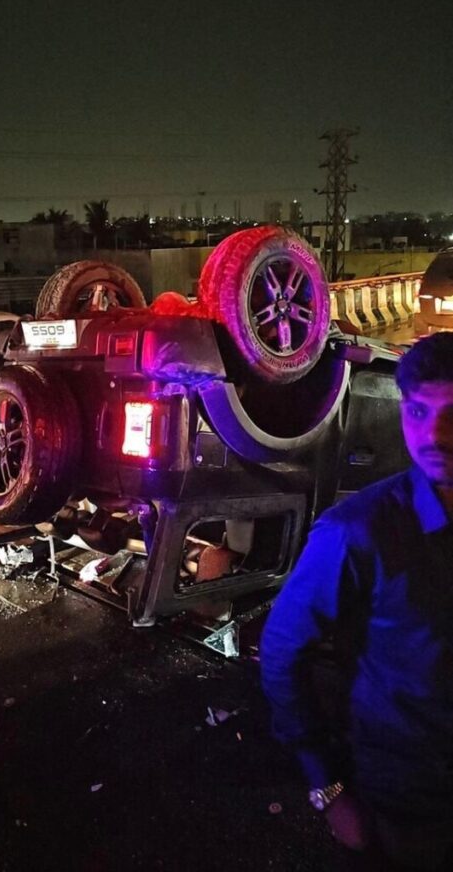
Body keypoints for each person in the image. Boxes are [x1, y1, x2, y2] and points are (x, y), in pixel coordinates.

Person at [260, 331, 453, 871]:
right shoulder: (357, 532)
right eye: (418, 411)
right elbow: (281, 650)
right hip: (403, 806)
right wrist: (328, 788)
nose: (434, 434)